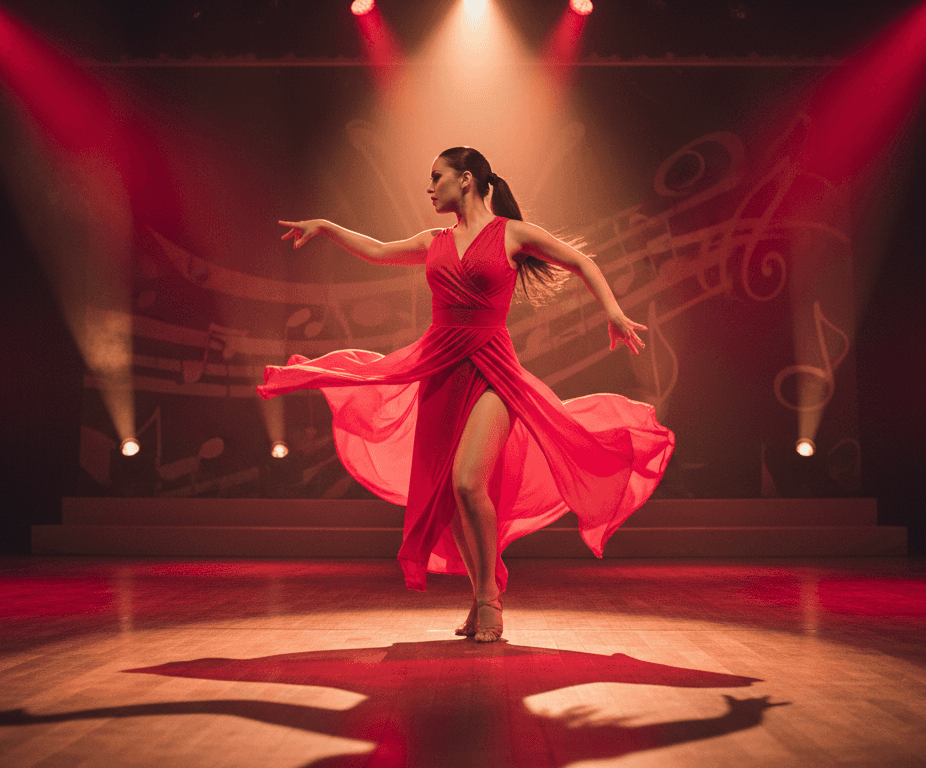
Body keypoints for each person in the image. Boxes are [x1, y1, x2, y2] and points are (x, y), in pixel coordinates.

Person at [260, 146, 674, 643]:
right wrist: (326, 226)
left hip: (493, 368)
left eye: (437, 177)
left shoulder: (512, 233)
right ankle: (481, 594)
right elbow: (377, 250)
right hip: (440, 370)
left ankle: (489, 598)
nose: (430, 187)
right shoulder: (432, 241)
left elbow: (581, 261)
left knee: (467, 482)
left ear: (467, 180)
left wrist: (613, 312)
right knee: (449, 494)